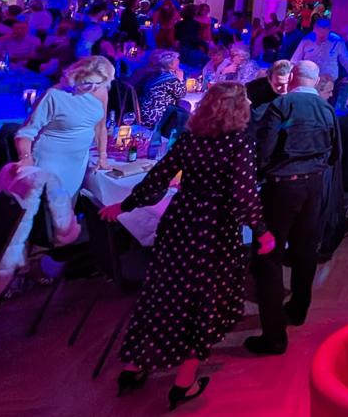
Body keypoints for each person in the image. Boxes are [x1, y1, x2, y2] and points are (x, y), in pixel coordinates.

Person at [99, 83, 276, 408]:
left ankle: (135, 366)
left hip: (179, 222)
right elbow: (243, 195)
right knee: (203, 301)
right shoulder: (239, 143)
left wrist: (124, 206)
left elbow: (157, 178)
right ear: (238, 111)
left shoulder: (191, 138)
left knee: (162, 293)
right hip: (213, 229)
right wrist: (262, 231)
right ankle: (183, 382)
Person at [247, 60, 341, 355]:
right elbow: (335, 153)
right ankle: (299, 310)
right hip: (314, 186)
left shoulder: (282, 105)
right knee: (305, 250)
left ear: (293, 78)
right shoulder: (327, 108)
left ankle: (274, 336)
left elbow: (264, 150)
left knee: (269, 255)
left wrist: (259, 175)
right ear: (316, 79)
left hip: (283, 186)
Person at [14, 55, 112, 199]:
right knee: (46, 205)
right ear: (76, 75)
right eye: (87, 82)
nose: (92, 88)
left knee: (68, 204)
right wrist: (26, 158)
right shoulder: (54, 95)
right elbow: (26, 132)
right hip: (50, 160)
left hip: (78, 161)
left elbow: (100, 127)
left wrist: (102, 156)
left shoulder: (101, 91)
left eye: (98, 83)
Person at [291, 17, 348, 98]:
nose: (321, 39)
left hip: (329, 84)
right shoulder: (306, 40)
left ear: (329, 31)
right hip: (309, 81)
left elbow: (347, 61)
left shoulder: (337, 41)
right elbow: (295, 60)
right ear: (314, 30)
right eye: (319, 35)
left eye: (324, 35)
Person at [133, 50, 186, 129]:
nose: (179, 61)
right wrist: (181, 79)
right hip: (157, 116)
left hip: (146, 112)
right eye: (177, 59)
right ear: (170, 64)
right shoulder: (170, 79)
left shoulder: (157, 74)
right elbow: (181, 94)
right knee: (185, 109)